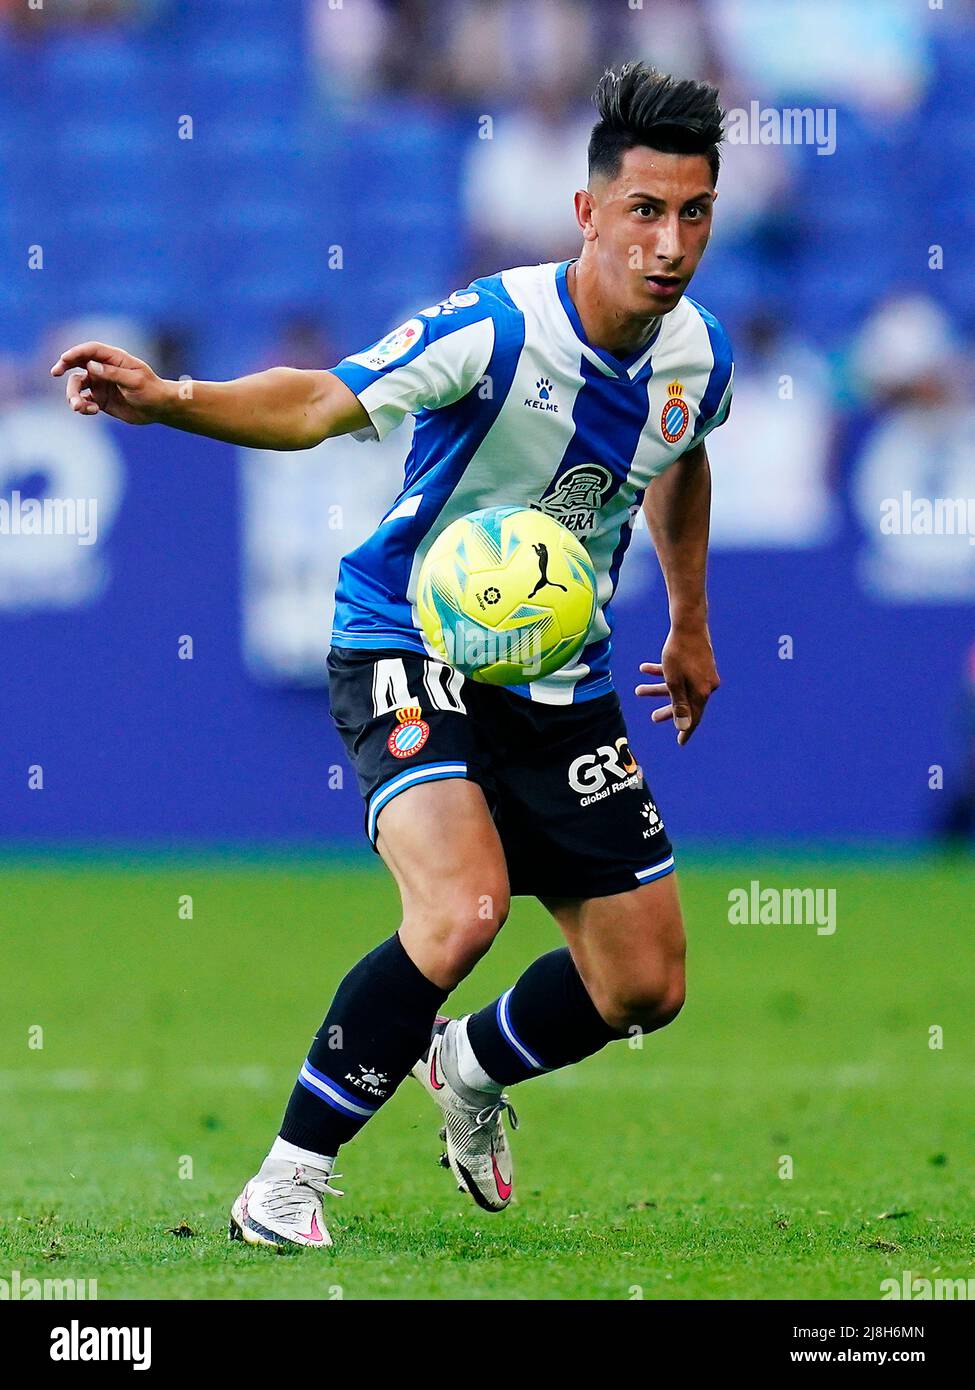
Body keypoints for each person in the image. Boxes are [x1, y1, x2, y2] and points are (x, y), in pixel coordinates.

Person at [51, 63, 734, 1248]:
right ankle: (284, 1180)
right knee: (463, 909)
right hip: (407, 634)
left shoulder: (697, 358)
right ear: (588, 213)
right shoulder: (497, 325)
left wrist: (688, 620)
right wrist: (172, 398)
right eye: (644, 211)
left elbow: (677, 461)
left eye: (692, 214)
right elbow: (319, 400)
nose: (668, 243)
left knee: (645, 986)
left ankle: (467, 1064)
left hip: (558, 673)